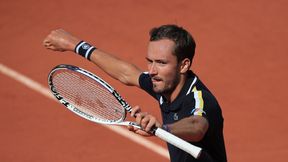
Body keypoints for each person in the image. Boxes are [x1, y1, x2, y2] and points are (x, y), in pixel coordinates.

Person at [43, 24, 227, 162]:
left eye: (161, 63)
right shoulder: (164, 84)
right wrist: (75, 45)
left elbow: (197, 126)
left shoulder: (199, 99)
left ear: (184, 65)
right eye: (150, 61)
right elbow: (127, 73)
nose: (152, 70)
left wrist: (163, 129)